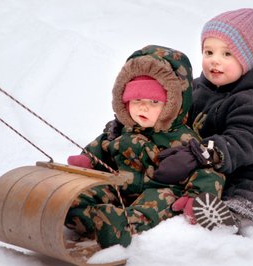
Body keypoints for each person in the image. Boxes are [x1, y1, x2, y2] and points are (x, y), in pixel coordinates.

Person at [104, 8, 253, 230]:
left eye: (227, 54)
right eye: (209, 52)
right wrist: (133, 127)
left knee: (252, 188)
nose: (214, 61)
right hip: (212, 163)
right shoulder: (197, 88)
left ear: (250, 59)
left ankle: (236, 215)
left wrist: (198, 153)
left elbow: (242, 141)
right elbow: (170, 114)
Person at [64, 45, 232, 249]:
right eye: (136, 100)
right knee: (77, 198)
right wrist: (89, 158)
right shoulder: (121, 129)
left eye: (154, 101)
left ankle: (123, 227)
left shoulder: (183, 138)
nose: (143, 107)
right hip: (121, 185)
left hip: (161, 189)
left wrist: (196, 196)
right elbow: (103, 145)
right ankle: (96, 219)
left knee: (156, 204)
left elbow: (208, 170)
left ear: (172, 104)